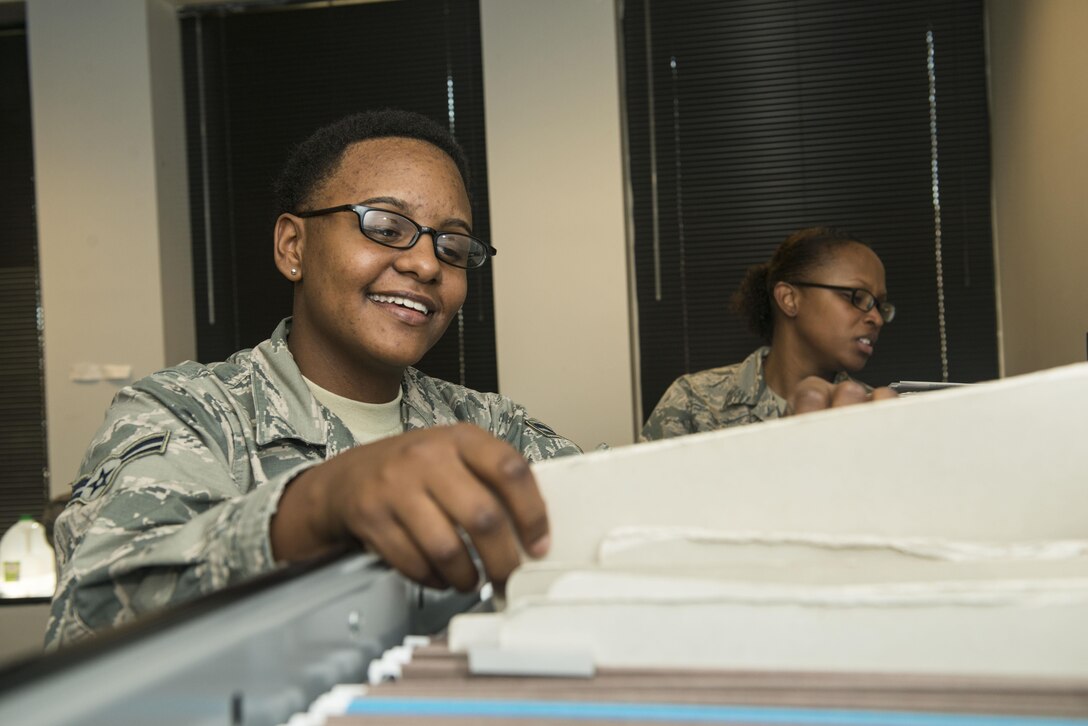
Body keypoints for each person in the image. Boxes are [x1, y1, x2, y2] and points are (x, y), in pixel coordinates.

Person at [46, 109, 582, 649]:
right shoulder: (188, 413)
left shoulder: (490, 427)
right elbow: (90, 621)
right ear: (293, 247)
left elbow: (626, 525)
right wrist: (318, 505)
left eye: (452, 246)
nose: (426, 264)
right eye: (386, 228)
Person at [641, 226, 897, 441]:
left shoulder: (872, 411)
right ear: (789, 299)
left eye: (879, 305)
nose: (875, 317)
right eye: (857, 297)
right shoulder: (694, 403)